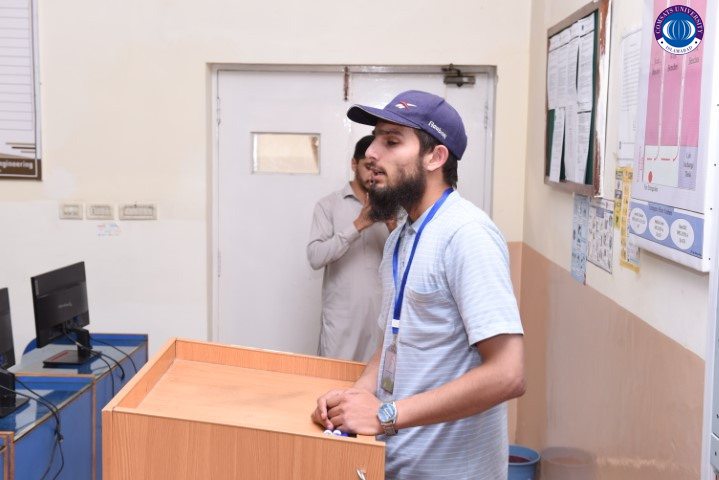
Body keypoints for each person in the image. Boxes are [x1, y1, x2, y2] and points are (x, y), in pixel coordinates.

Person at [311, 90, 525, 479]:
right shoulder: (400, 236)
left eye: (391, 141)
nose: (371, 153)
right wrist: (356, 396)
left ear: (435, 157)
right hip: (399, 464)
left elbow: (508, 374)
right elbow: (393, 340)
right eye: (374, 139)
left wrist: (384, 415)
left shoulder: (467, 234)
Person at [307, 135, 395, 362]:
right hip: (341, 320)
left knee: (375, 380)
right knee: (332, 378)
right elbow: (315, 257)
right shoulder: (328, 205)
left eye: (379, 169)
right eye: (368, 167)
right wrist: (358, 225)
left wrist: (392, 225)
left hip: (380, 320)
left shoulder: (396, 207)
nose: (373, 174)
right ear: (354, 164)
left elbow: (408, 263)